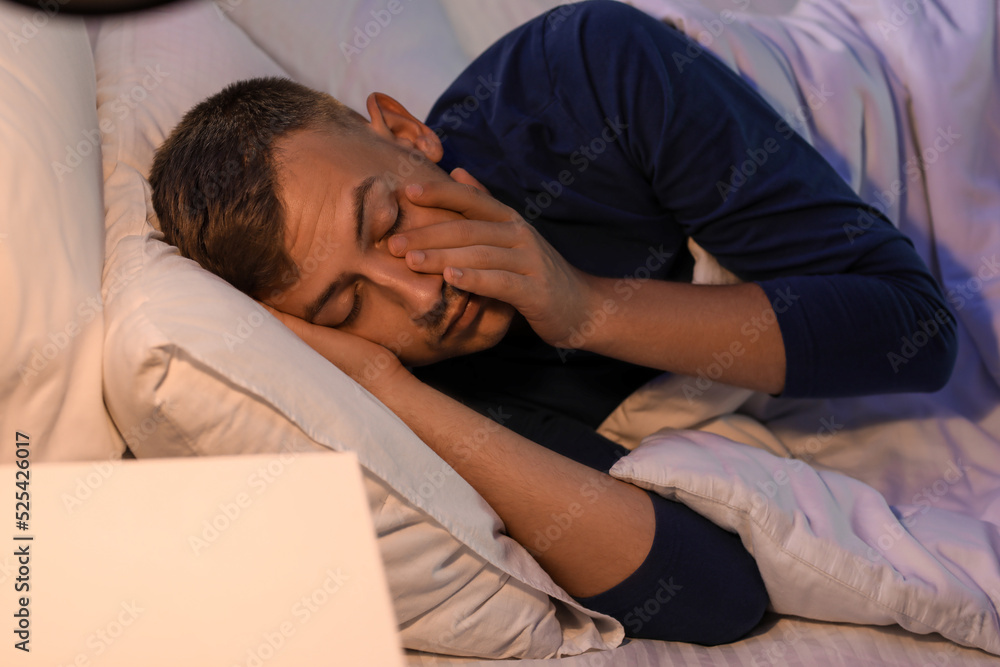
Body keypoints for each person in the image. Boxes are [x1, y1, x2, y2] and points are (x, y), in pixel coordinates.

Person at [148, 1, 957, 645]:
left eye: (389, 217)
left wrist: (587, 306)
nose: (419, 293)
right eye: (347, 304)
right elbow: (718, 594)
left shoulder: (586, 72)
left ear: (403, 131)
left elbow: (914, 329)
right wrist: (387, 390)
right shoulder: (444, 382)